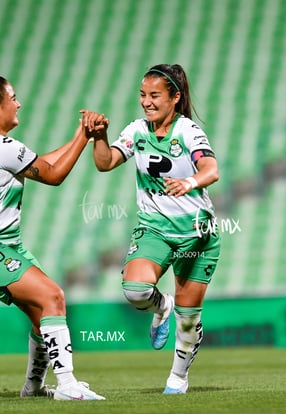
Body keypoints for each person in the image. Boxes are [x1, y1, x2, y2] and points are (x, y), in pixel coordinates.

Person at [0, 73, 105, 401]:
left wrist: (79, 134)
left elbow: (41, 163)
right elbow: (53, 175)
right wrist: (85, 137)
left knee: (44, 313)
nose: (19, 102)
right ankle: (67, 385)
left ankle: (34, 387)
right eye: (13, 97)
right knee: (53, 296)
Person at [87, 64, 221, 394]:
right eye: (143, 95)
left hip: (197, 235)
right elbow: (105, 163)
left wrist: (189, 182)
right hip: (155, 230)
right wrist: (100, 136)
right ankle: (163, 306)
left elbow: (211, 169)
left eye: (155, 95)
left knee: (189, 321)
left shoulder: (188, 132)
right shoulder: (136, 131)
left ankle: (177, 378)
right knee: (134, 289)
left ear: (175, 98)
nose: (146, 102)